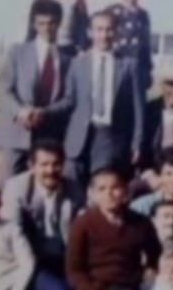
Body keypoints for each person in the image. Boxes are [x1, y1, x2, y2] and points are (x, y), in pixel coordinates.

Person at [66, 167, 161, 290]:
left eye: (115, 188)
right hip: (94, 287)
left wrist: (151, 276)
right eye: (102, 189)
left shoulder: (140, 223)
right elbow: (74, 270)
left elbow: (156, 256)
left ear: (125, 191)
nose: (109, 194)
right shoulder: (82, 224)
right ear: (93, 194)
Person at [0, 0, 75, 180]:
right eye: (41, 23)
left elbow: (69, 99)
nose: (46, 28)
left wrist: (45, 112)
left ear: (59, 24)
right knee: (9, 184)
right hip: (17, 133)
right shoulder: (17, 52)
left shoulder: (68, 59)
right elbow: (5, 89)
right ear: (34, 24)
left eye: (51, 23)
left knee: (41, 186)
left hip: (48, 135)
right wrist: (21, 112)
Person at [61, 11, 145, 188]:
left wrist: (137, 142)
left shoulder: (129, 65)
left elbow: (138, 108)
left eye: (109, 30)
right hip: (79, 137)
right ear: (90, 32)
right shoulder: (78, 63)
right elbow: (69, 100)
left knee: (101, 186)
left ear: (116, 32)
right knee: (73, 186)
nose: (104, 35)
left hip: (109, 137)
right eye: (99, 30)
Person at [0, 140, 84, 285]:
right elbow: (12, 230)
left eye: (56, 164)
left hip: (62, 252)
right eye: (44, 165)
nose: (50, 171)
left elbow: (84, 225)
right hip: (28, 253)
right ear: (32, 166)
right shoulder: (16, 187)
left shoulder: (74, 189)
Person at [105, 0, 153, 92]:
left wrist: (148, 69)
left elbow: (146, 44)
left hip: (138, 65)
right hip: (117, 63)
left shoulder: (143, 15)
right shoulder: (112, 11)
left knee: (136, 100)